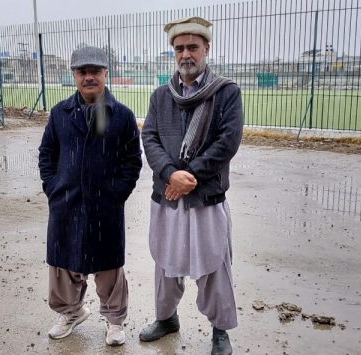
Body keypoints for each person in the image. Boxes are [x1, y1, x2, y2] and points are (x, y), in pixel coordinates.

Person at [139, 16, 243, 355]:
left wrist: (189, 176)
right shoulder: (160, 96)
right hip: (167, 193)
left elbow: (228, 141)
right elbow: (150, 136)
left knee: (214, 265)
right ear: (174, 52)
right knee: (166, 264)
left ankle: (220, 331)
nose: (186, 54)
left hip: (205, 197)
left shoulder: (226, 92)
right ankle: (167, 317)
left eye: (193, 47)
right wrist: (170, 173)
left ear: (206, 49)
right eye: (179, 48)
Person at [38, 46, 142, 347]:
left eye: (95, 71)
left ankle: (114, 320)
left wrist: (117, 193)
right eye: (82, 71)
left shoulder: (120, 116)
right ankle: (71, 312)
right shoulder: (59, 114)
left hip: (104, 204)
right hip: (65, 202)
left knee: (108, 266)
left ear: (105, 73)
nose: (89, 77)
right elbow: (47, 153)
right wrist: (53, 187)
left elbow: (132, 161)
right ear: (73, 75)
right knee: (64, 262)